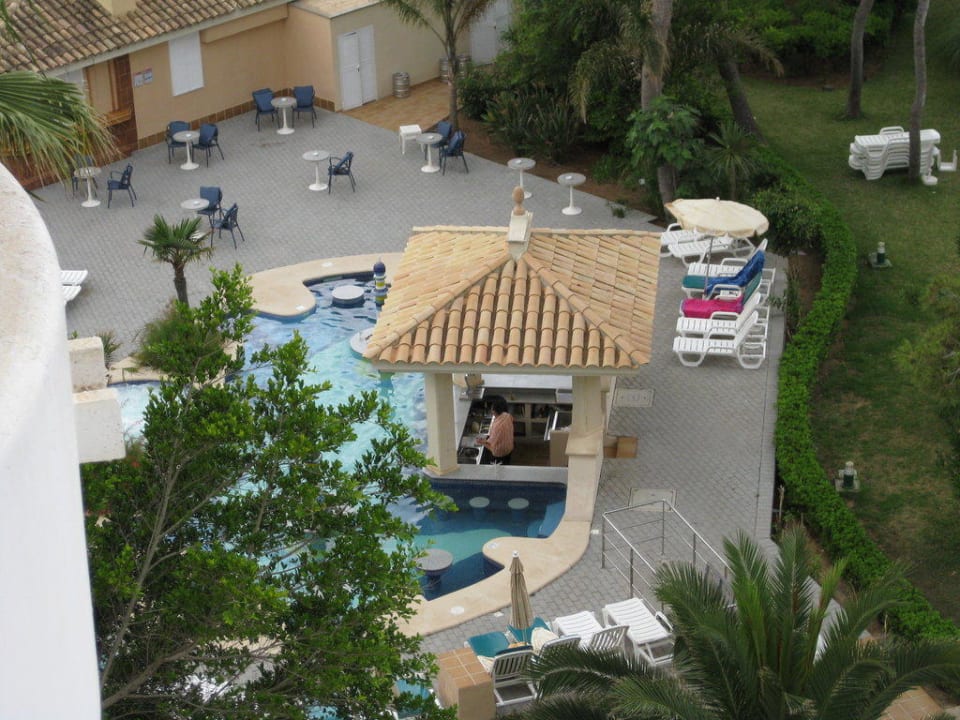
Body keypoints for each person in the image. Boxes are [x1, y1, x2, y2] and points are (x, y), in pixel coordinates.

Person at [479, 396, 514, 465]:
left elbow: (491, 444)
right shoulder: (507, 415)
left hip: (500, 453)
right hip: (509, 447)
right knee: (507, 462)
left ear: (495, 411)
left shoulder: (497, 427)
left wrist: (481, 442)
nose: (491, 411)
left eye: (492, 409)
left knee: (498, 467)